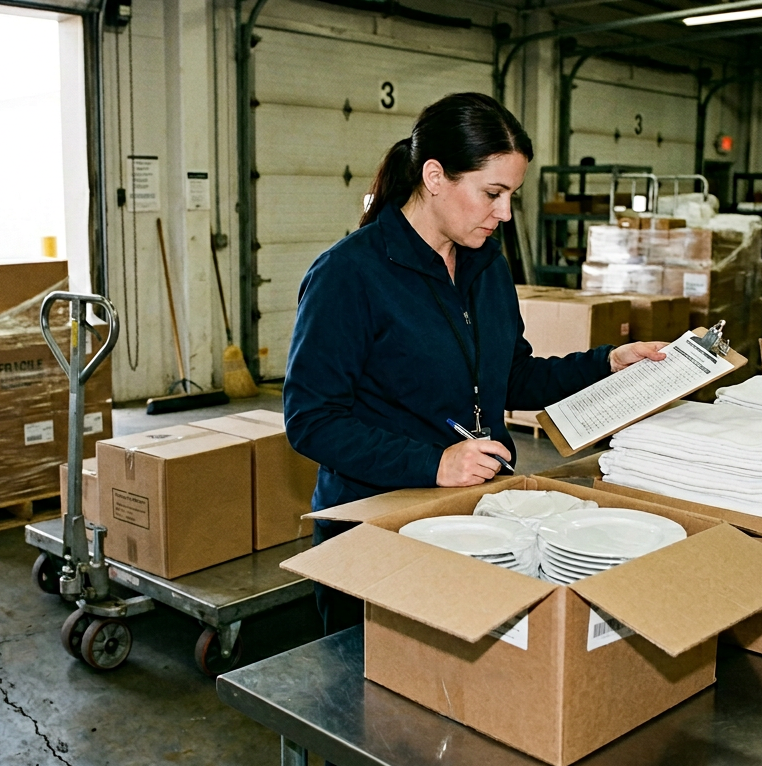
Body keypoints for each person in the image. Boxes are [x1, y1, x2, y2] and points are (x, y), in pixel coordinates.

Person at [283, 92, 668, 635]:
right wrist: (433, 464)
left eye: (512, 195)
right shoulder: (349, 275)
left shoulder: (486, 266)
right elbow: (312, 420)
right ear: (435, 176)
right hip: (377, 525)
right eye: (493, 193)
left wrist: (608, 364)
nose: (505, 213)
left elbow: (512, 377)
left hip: (476, 517)